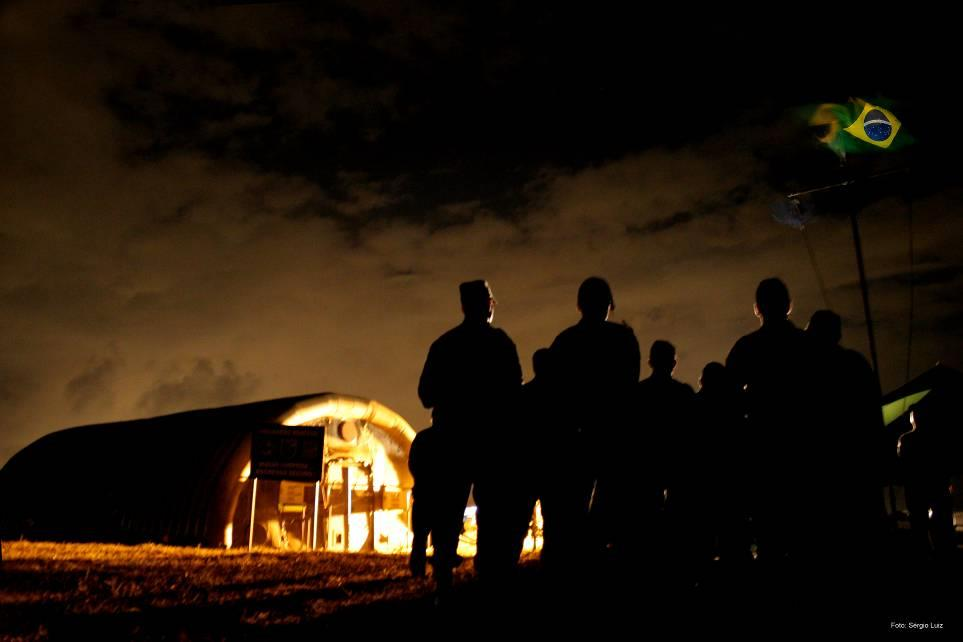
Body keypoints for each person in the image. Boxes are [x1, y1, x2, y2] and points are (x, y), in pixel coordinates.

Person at [417, 280, 522, 590]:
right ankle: (488, 575)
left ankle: (443, 575)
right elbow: (514, 393)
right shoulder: (501, 343)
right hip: (491, 441)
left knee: (448, 506)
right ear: (488, 305)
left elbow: (425, 395)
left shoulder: (444, 344)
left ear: (463, 306)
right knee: (493, 509)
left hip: (451, 438)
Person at [549, 276, 640, 566]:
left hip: (576, 437)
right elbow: (629, 387)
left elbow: (556, 393)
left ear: (579, 305)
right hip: (614, 435)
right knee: (614, 504)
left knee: (573, 506)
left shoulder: (565, 341)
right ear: (609, 305)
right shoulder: (624, 339)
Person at [725, 278, 816, 565]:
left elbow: (728, 401)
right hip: (804, 450)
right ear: (789, 305)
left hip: (762, 452)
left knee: (770, 540)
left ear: (757, 309)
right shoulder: (809, 346)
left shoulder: (747, 347)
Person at [805, 310, 886, 563]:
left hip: (821, 473)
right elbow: (873, 416)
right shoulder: (856, 364)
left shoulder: (804, 372)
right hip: (858, 468)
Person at [635, 341, 695, 574]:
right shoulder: (684, 394)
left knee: (647, 520)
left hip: (647, 466)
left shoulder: (638, 394)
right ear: (673, 363)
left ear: (650, 362)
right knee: (677, 520)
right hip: (677, 466)